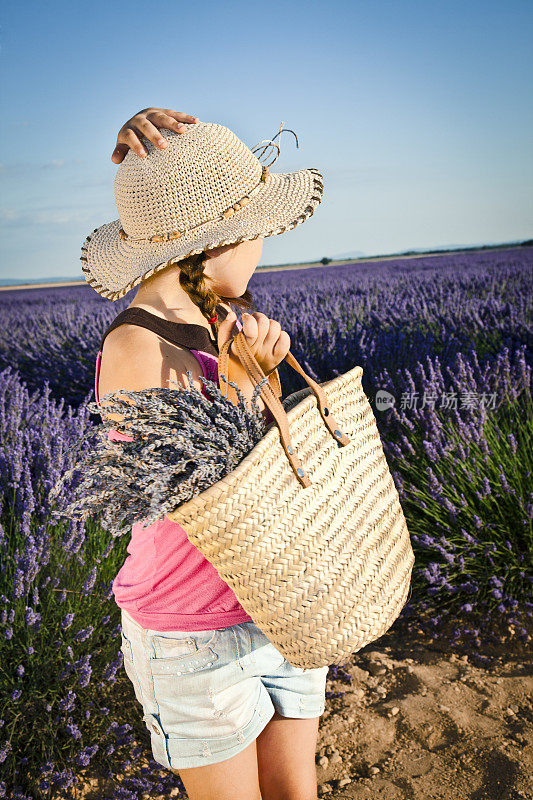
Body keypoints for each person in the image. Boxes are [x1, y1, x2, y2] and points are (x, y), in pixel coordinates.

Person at [84, 107, 327, 800]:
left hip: (277, 601)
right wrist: (246, 378)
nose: (261, 248)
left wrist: (263, 378)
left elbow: (282, 466)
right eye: (255, 232)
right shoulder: (137, 344)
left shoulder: (218, 318)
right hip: (193, 634)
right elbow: (202, 499)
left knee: (294, 788)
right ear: (213, 239)